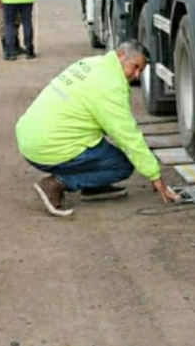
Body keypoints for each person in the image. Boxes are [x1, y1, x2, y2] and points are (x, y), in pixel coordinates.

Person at [15, 40, 181, 217]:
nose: (137, 75)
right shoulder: (110, 86)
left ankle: (92, 186)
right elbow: (128, 136)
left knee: (102, 146)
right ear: (120, 55)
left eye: (141, 70)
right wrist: (155, 175)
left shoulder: (91, 63)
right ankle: (56, 184)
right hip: (49, 147)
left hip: (29, 137)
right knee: (122, 165)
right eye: (135, 67)